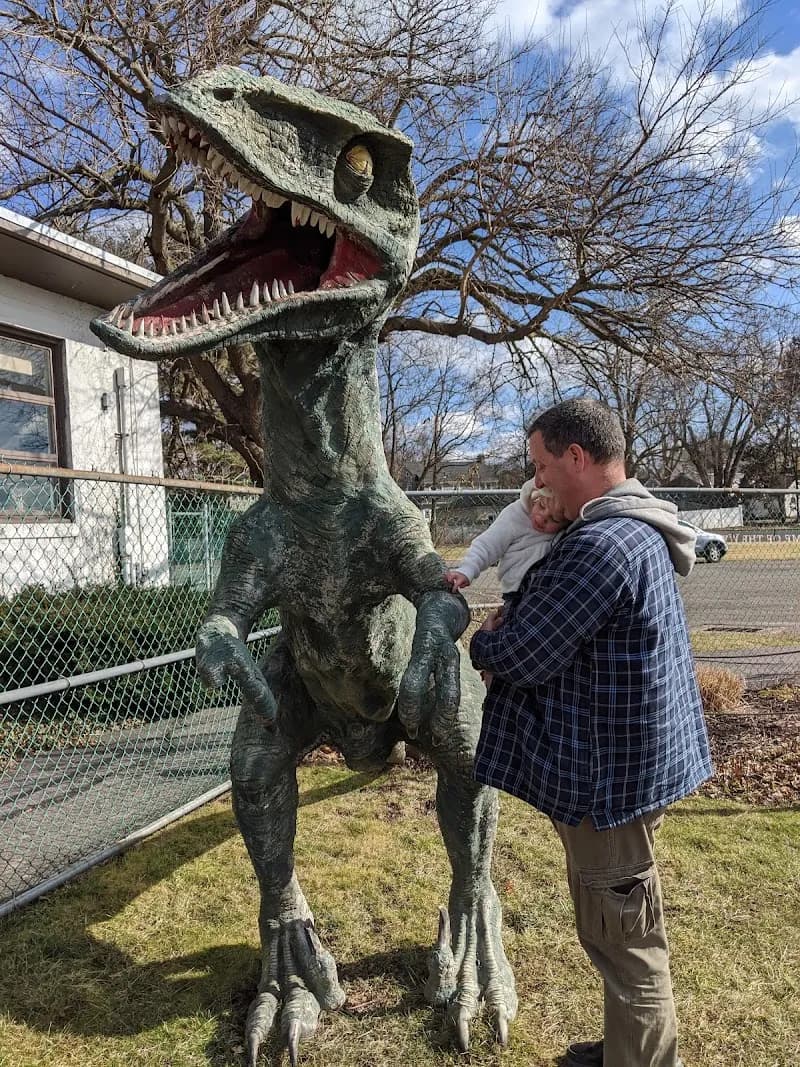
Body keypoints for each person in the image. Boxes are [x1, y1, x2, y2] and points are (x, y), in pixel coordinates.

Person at [470, 398, 711, 1067]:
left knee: (627, 945)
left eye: (543, 466)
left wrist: (486, 643)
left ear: (577, 457)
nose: (538, 482)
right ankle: (627, 1049)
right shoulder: (635, 527)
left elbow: (524, 652)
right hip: (629, 772)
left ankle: (642, 1058)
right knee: (614, 925)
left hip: (611, 786)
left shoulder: (601, 545)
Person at [444, 480, 568, 598]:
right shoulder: (515, 516)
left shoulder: (570, 530)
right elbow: (488, 544)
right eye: (541, 506)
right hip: (517, 589)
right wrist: (467, 569)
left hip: (549, 588)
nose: (542, 518)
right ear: (535, 497)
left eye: (554, 519)